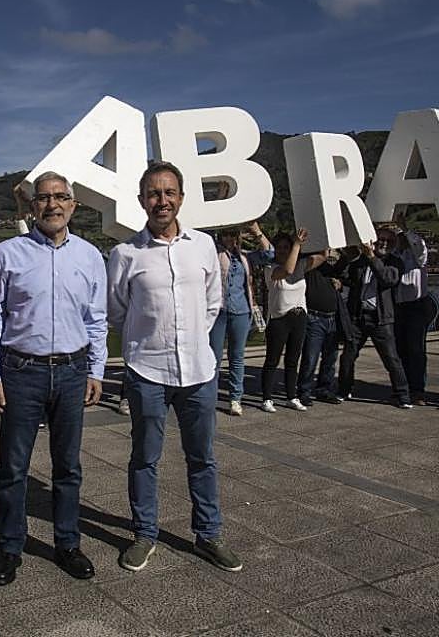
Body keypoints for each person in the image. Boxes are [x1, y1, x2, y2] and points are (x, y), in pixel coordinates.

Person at [107, 160, 241, 574]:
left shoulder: (202, 246)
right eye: (153, 193)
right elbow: (116, 310)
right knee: (145, 457)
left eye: (169, 193)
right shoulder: (125, 253)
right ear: (141, 200)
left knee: (201, 457)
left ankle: (208, 535)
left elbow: (212, 301)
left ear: (181, 198)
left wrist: (192, 341)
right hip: (147, 370)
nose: (161, 201)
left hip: (199, 371)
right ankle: (145, 534)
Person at [0, 171, 107, 586]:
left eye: (60, 197)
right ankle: (9, 548)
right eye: (43, 198)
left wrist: (96, 370)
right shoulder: (7, 253)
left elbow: (97, 319)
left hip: (73, 371)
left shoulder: (90, 256)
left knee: (67, 466)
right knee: (14, 468)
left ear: (73, 204)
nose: (52, 205)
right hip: (22, 371)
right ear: (31, 205)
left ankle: (67, 544)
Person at [334, 227, 413, 408]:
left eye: (388, 241)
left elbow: (388, 279)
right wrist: (346, 256)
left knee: (391, 359)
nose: (383, 243)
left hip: (381, 318)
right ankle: (344, 389)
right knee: (348, 356)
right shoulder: (361, 260)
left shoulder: (395, 262)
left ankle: (403, 395)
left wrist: (371, 257)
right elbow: (348, 277)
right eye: (380, 240)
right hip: (359, 316)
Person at [261, 229, 329, 412]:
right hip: (279, 319)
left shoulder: (300, 265)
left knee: (293, 360)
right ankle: (266, 398)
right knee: (272, 360)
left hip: (299, 317)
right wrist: (296, 244)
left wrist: (322, 235)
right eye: (280, 248)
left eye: (286, 247)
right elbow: (287, 270)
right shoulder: (271, 269)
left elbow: (323, 256)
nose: (283, 251)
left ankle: (292, 396)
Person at [211, 223, 273, 415]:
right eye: (225, 234)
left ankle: (235, 398)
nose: (229, 238)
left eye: (232, 234)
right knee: (214, 357)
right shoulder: (214, 252)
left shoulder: (245, 256)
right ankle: (209, 396)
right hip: (218, 309)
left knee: (237, 357)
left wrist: (256, 231)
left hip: (241, 310)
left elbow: (269, 254)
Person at [392, 220, 436, 406]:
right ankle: (403, 387)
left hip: (416, 304)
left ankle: (418, 389)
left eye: (402, 237)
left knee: (416, 349)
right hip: (398, 305)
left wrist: (406, 229)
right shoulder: (394, 255)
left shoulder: (418, 256)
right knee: (400, 349)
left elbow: (419, 246)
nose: (400, 240)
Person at [296, 254, 342, 406]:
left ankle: (324, 388)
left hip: (331, 317)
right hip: (315, 317)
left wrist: (338, 283)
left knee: (330, 357)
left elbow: (340, 279)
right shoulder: (308, 263)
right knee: (310, 356)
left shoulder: (329, 268)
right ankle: (304, 390)